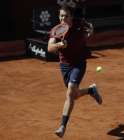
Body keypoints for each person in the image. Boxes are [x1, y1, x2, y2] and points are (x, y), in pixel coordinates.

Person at [47, 4, 102, 137]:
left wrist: (90, 32)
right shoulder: (57, 30)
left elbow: (89, 30)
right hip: (65, 66)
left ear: (71, 17)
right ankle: (90, 90)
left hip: (79, 63)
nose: (63, 18)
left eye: (66, 16)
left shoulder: (80, 24)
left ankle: (62, 126)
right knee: (74, 95)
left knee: (70, 90)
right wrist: (59, 44)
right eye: (61, 16)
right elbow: (49, 48)